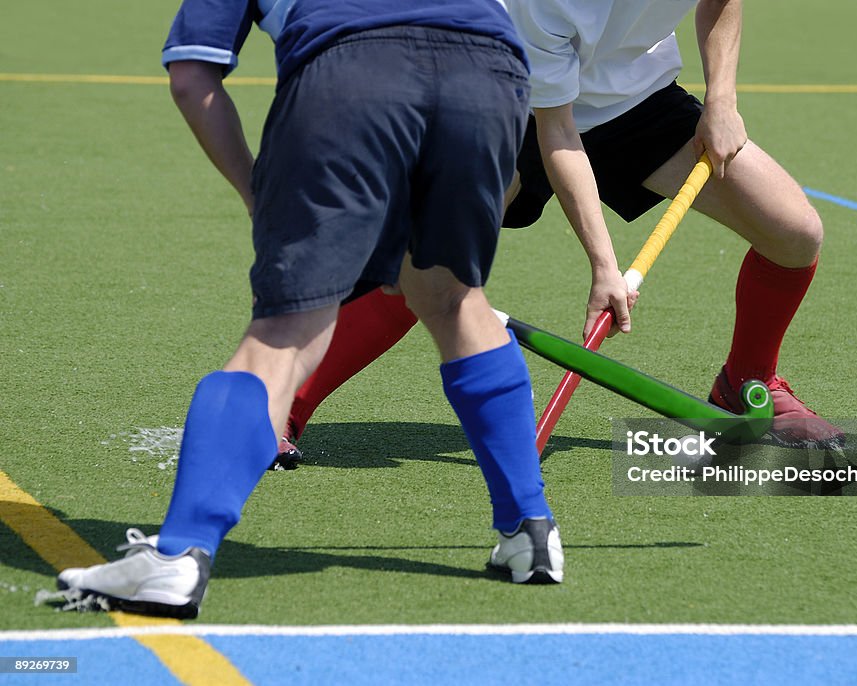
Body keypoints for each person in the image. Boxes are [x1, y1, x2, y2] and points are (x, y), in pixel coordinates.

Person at [55, 0, 564, 619]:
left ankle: (178, 555)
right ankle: (529, 532)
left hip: (352, 70)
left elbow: (192, 75)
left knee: (285, 333)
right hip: (491, 71)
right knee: (456, 300)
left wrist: (255, 191)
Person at [277, 0, 843, 454]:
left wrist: (722, 99)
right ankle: (285, 409)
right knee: (428, 265)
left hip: (638, 101)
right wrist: (603, 267)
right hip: (516, 106)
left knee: (794, 233)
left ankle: (750, 381)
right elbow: (560, 137)